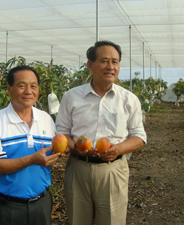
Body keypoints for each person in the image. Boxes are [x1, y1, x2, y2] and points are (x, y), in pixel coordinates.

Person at [56, 40, 147, 225]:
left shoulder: (128, 99)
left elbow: (139, 137)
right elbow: (62, 132)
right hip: (78, 168)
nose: (110, 67)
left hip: (113, 170)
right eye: (104, 61)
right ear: (91, 65)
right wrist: (75, 148)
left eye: (115, 62)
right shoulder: (71, 97)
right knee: (78, 220)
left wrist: (119, 149)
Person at [0, 65, 66, 225]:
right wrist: (32, 159)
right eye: (21, 86)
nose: (28, 91)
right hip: (10, 206)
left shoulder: (46, 119)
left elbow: (49, 152)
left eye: (33, 86)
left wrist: (60, 151)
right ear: (8, 88)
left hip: (42, 202)